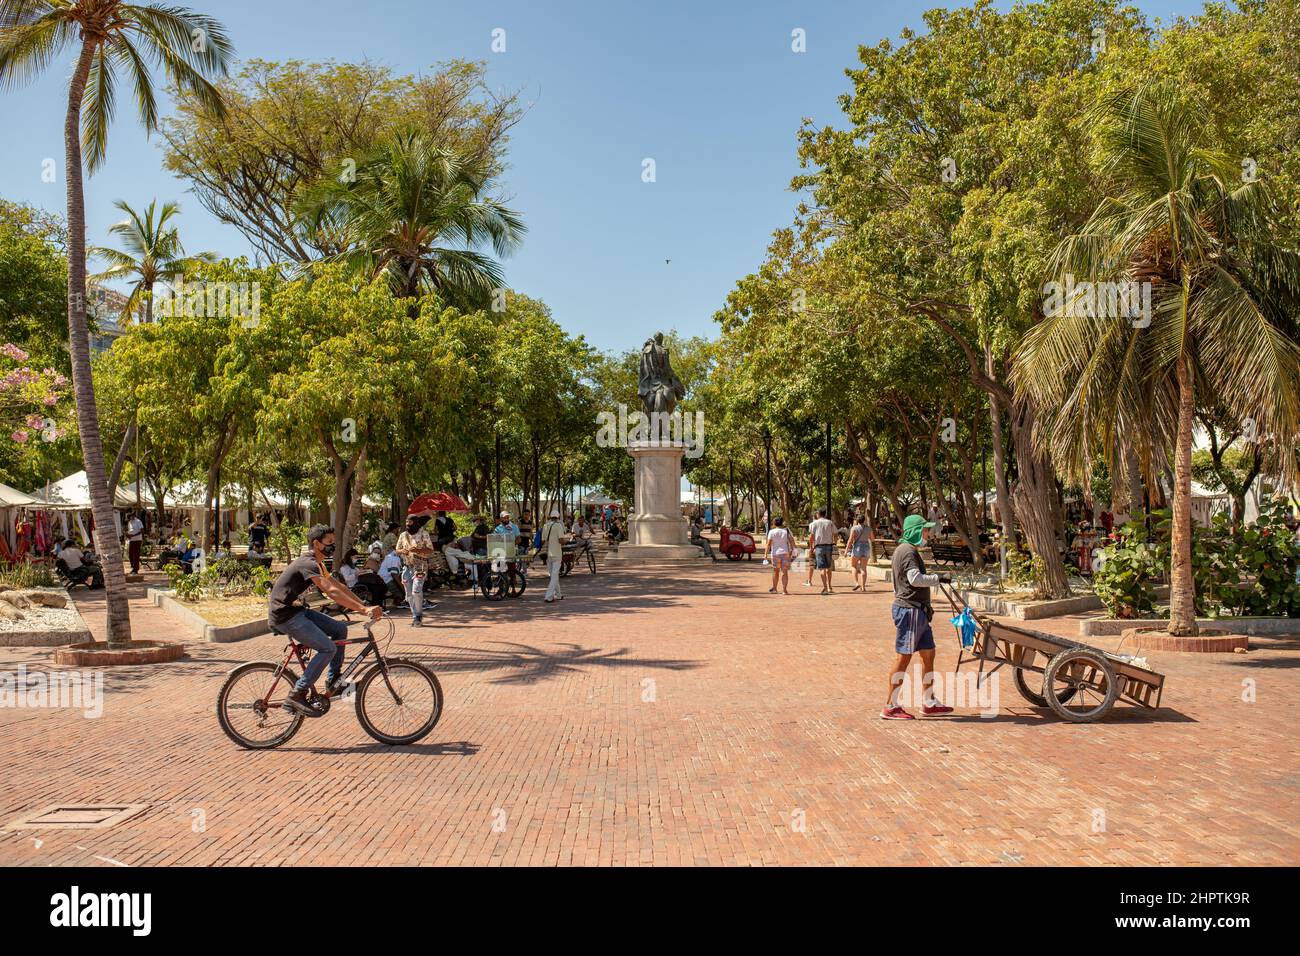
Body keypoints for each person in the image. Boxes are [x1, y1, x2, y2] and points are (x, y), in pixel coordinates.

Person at [269, 524, 381, 717]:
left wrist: (363, 604)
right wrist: (363, 610)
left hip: (297, 612)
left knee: (340, 629)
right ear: (316, 543)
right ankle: (297, 694)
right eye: (329, 543)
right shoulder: (308, 563)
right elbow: (331, 591)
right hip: (285, 616)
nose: (332, 546)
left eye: (333, 543)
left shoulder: (318, 564)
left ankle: (334, 680)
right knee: (328, 648)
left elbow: (339, 586)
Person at [882, 514, 954, 720]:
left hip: (918, 611)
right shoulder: (907, 552)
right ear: (914, 531)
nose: (927, 534)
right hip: (910, 610)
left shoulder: (907, 550)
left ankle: (929, 701)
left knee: (928, 654)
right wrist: (938, 578)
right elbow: (915, 579)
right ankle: (891, 705)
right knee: (903, 658)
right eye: (924, 530)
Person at [396, 516, 435, 626]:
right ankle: (415, 616)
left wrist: (418, 550)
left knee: (416, 590)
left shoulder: (424, 534)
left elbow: (430, 550)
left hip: (420, 566)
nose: (408, 524)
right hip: (407, 567)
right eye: (406, 522)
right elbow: (397, 550)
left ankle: (419, 615)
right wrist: (402, 551)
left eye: (410, 522)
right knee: (408, 594)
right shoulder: (403, 535)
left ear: (416, 523)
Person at [539, 507, 567, 604]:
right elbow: (561, 540)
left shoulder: (545, 525)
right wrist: (565, 541)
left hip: (548, 554)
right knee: (554, 576)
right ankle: (549, 596)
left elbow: (542, 541)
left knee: (553, 575)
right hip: (557, 553)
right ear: (558, 517)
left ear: (550, 517)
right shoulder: (559, 526)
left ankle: (558, 595)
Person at [808, 507, 837, 595]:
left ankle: (824, 587)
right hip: (829, 546)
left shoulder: (814, 523)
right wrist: (834, 543)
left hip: (819, 547)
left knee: (822, 568)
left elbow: (811, 537)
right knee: (829, 567)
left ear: (818, 514)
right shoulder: (830, 522)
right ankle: (829, 586)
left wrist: (811, 547)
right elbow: (835, 533)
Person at [764, 517, 795, 594]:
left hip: (775, 553)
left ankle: (774, 588)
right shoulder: (786, 531)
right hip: (785, 553)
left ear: (774, 523)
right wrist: (793, 550)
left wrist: (765, 554)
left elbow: (768, 544)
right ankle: (784, 590)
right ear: (782, 523)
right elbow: (791, 541)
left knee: (775, 571)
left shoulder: (771, 532)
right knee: (785, 572)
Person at [846, 514, 872, 592]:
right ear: (864, 520)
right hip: (866, 547)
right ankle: (863, 587)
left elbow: (850, 540)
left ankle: (857, 583)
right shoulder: (869, 528)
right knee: (863, 568)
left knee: (854, 566)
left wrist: (847, 549)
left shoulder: (854, 528)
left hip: (857, 547)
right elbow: (872, 539)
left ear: (857, 520)